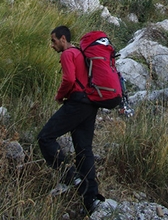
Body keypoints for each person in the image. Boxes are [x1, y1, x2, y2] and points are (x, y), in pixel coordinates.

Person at [37, 25, 119, 214]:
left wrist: (59, 97)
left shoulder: (67, 54)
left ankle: (71, 176)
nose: (52, 45)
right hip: (90, 103)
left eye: (54, 40)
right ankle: (91, 199)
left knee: (45, 138)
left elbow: (68, 79)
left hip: (77, 103)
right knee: (84, 149)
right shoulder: (81, 53)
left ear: (63, 39)